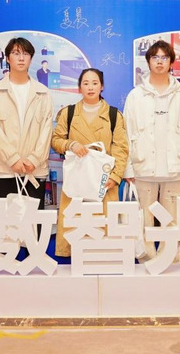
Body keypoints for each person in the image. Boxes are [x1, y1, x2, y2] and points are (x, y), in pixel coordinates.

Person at [124, 40, 180, 260]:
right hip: (143, 168)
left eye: (164, 58)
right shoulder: (135, 95)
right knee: (144, 220)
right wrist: (128, 168)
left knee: (172, 221)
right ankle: (146, 262)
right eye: (155, 57)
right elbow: (127, 132)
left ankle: (171, 262)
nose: (159, 62)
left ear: (171, 62)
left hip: (176, 167)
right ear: (148, 61)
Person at [50, 68, 128, 258]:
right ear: (79, 88)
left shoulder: (114, 115)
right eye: (85, 83)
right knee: (76, 225)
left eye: (95, 83)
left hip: (104, 181)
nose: (90, 87)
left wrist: (115, 176)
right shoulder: (68, 113)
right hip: (77, 179)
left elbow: (121, 148)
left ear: (102, 87)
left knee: (104, 230)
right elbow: (55, 140)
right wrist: (70, 144)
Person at [0, 37, 53, 208]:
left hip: (34, 170)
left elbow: (46, 131)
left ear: (31, 58)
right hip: (4, 170)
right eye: (16, 53)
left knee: (34, 222)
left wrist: (34, 160)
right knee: (4, 221)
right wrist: (12, 159)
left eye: (26, 53)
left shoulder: (43, 93)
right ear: (8, 58)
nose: (21, 58)